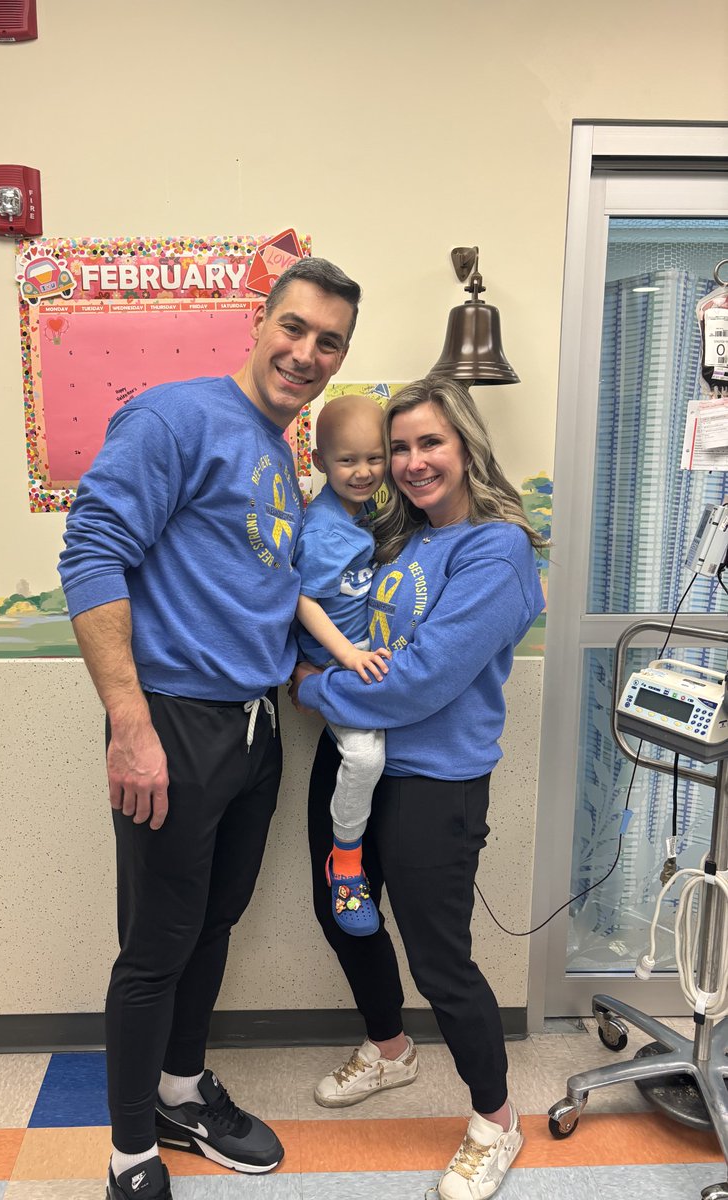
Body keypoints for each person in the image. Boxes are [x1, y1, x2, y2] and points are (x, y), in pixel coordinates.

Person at [58, 257, 361, 1200]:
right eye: (295, 328)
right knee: (155, 946)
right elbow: (92, 552)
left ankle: (182, 1091)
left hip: (252, 729)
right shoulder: (176, 418)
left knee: (214, 923)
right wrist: (130, 726)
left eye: (330, 343)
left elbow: (251, 585)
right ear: (259, 322)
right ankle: (130, 1153)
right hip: (175, 728)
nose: (307, 354)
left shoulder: (276, 450)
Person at [291, 376, 546, 1200]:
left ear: (466, 444)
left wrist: (308, 687)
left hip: (435, 780)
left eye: (428, 443)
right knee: (343, 912)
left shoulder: (495, 550)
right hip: (356, 762)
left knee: (441, 961)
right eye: (398, 448)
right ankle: (391, 1051)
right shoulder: (397, 538)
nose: (410, 462)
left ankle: (496, 1122)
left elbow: (419, 682)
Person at [294, 393, 390, 937]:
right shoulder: (326, 530)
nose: (363, 471)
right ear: (319, 462)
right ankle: (347, 861)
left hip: (356, 658)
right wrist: (346, 655)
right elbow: (303, 599)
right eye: (347, 460)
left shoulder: (361, 511)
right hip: (333, 665)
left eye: (374, 458)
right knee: (364, 755)